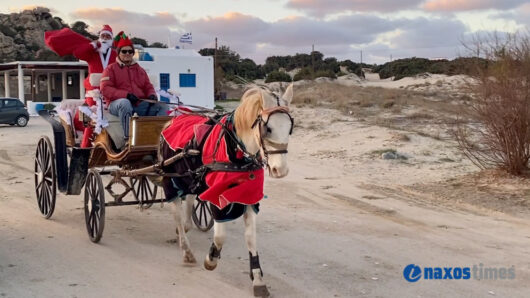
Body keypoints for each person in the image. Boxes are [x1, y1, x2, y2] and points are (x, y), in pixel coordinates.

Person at [45, 25, 118, 147]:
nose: (105, 38)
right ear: (99, 37)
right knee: (90, 119)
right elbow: (78, 53)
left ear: (111, 39)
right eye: (103, 36)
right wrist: (93, 45)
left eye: (108, 36)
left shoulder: (115, 54)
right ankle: (85, 148)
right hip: (93, 94)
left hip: (110, 94)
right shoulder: (92, 52)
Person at [100, 32, 168, 140]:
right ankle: (129, 138)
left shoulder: (140, 70)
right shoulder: (110, 69)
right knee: (125, 103)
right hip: (116, 105)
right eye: (124, 51)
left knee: (162, 106)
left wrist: (152, 95)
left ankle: (159, 137)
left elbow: (147, 85)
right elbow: (105, 89)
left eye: (130, 51)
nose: (127, 53)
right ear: (119, 53)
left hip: (138, 104)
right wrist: (125, 95)